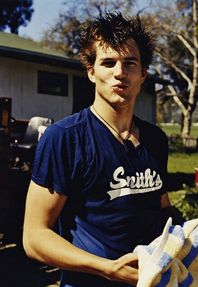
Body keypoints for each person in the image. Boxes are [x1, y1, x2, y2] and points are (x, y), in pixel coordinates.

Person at [23, 12, 182, 287]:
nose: (119, 72)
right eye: (108, 63)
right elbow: (34, 237)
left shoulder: (155, 140)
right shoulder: (64, 138)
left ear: (143, 73)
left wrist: (194, 235)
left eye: (130, 63)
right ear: (91, 71)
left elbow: (163, 208)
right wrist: (107, 268)